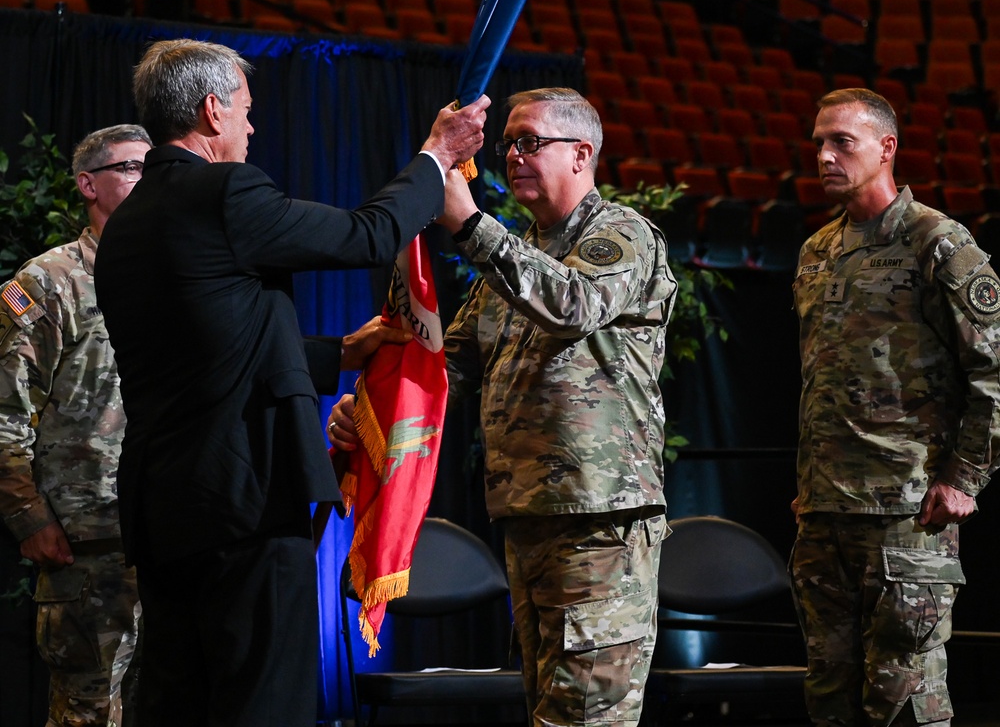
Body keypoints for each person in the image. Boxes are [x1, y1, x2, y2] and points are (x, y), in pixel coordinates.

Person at [92, 38, 488, 727]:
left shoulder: (125, 227)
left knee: (177, 704)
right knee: (263, 703)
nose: (252, 127)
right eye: (246, 112)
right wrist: (436, 155)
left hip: (164, 509)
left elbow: (206, 351)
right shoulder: (224, 192)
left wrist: (340, 353)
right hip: (244, 504)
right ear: (213, 111)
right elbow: (367, 236)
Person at [329, 87, 677, 726]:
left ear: (581, 154)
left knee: (587, 716)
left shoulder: (620, 234)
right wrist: (368, 408)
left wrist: (468, 224)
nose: (513, 155)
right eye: (509, 142)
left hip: (598, 519)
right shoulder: (516, 257)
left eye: (531, 142)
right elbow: (446, 364)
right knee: (546, 709)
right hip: (529, 515)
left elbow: (574, 306)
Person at [790, 88, 1000, 727]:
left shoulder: (938, 242)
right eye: (819, 143)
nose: (825, 156)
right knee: (830, 698)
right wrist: (809, 487)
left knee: (902, 699)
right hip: (825, 509)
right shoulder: (816, 251)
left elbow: (993, 369)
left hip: (907, 511)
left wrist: (965, 477)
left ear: (886, 148)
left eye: (841, 143)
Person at [0, 124, 152, 727]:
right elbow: (6, 411)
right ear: (89, 185)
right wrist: (27, 517)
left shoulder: (174, 276)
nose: (146, 180)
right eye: (131, 168)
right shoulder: (48, 282)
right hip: (86, 544)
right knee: (87, 715)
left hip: (164, 535)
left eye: (153, 168)